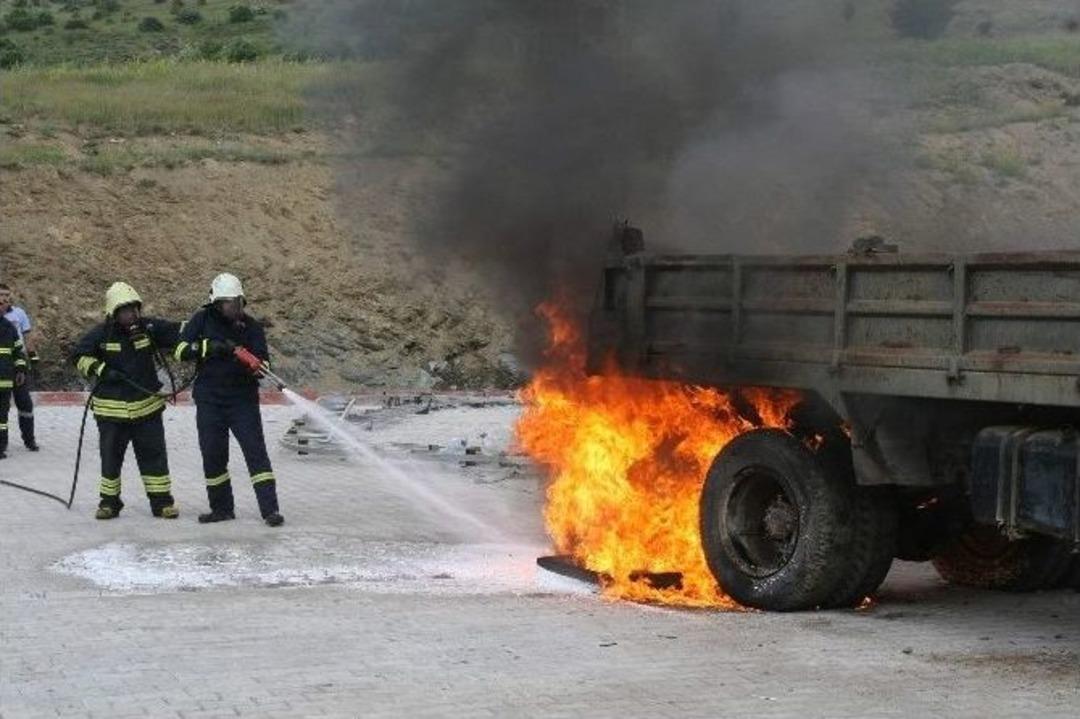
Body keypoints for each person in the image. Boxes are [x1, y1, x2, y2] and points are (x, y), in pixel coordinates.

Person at [174, 273, 284, 527]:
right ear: (216, 303)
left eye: (237, 303)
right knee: (213, 454)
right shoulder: (201, 320)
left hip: (242, 401)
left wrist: (257, 366)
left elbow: (264, 361)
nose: (234, 309)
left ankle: (270, 510)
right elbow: (180, 351)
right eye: (228, 304)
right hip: (209, 400)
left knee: (256, 453)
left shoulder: (252, 327)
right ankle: (221, 509)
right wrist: (208, 347)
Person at [72, 282, 182, 519]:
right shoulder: (100, 335)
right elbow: (78, 356)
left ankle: (162, 503)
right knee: (111, 460)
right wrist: (101, 369)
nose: (132, 315)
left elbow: (179, 331)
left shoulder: (149, 328)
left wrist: (204, 324)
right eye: (125, 310)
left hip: (147, 410)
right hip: (111, 412)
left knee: (154, 458)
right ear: (113, 313)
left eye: (134, 309)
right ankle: (109, 504)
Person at [0, 283, 39, 451]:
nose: (5, 298)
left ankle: (29, 440)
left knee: (25, 404)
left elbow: (26, 338)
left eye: (7, 295)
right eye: (1, 295)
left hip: (15, 366)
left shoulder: (18, 315)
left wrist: (31, 359)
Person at [0, 312, 27, 460]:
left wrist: (21, 369)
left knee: (2, 419)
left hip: (4, 383)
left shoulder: (8, 327)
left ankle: (1, 447)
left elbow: (18, 352)